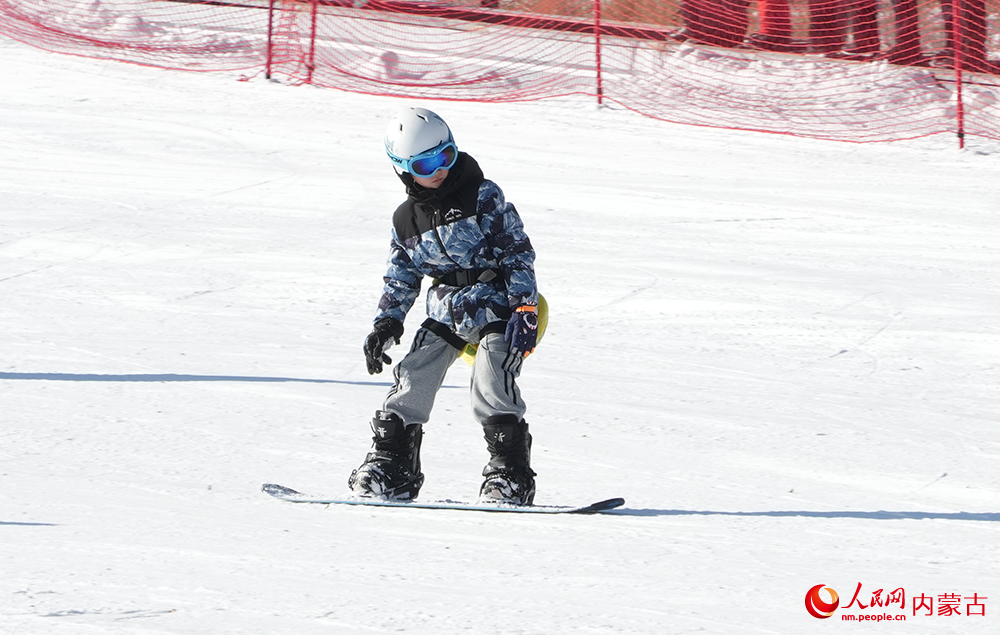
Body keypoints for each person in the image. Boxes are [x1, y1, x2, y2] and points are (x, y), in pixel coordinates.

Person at [348, 107, 540, 506]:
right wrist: (386, 324)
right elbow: (400, 277)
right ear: (403, 169)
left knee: (490, 383)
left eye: (446, 156)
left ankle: (509, 474)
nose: (438, 169)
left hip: (496, 307)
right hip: (446, 312)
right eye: (425, 163)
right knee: (412, 376)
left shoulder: (482, 195)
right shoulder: (405, 221)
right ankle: (393, 464)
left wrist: (524, 308)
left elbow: (516, 251)